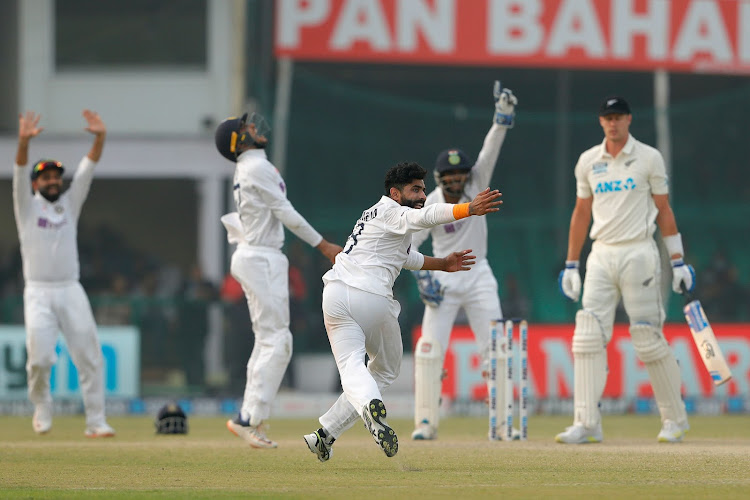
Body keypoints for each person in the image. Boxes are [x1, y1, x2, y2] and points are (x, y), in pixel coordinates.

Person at [303, 161, 503, 462]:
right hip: (370, 298)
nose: (423, 195)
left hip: (336, 295)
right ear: (395, 193)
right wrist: (468, 209)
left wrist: (443, 264)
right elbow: (430, 216)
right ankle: (370, 402)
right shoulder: (394, 212)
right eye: (415, 189)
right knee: (373, 371)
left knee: (369, 368)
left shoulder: (375, 214)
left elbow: (405, 256)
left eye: (423, 189)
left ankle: (324, 435)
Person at [556, 96, 695, 444]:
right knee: (587, 334)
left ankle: (674, 420)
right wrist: (571, 264)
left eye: (618, 117)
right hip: (601, 254)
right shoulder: (589, 160)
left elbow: (663, 210)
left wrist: (677, 259)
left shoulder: (648, 157)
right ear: (601, 122)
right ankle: (587, 423)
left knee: (647, 336)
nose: (612, 123)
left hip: (639, 252)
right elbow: (580, 212)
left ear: (629, 119)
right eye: (607, 118)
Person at [214, 112, 342, 449]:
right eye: (247, 128)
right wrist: (323, 245)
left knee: (267, 340)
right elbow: (285, 212)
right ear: (239, 141)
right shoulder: (256, 167)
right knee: (278, 341)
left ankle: (248, 416)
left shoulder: (250, 167)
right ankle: (249, 418)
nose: (254, 128)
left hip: (255, 254)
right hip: (261, 256)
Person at [409, 81, 518, 441]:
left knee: (497, 350)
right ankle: (425, 422)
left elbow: (489, 152)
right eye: (451, 177)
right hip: (444, 279)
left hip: (480, 275)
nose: (458, 180)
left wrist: (501, 120)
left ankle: (502, 424)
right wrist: (422, 279)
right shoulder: (432, 203)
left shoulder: (477, 185)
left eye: (462, 175)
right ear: (440, 179)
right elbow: (409, 243)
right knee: (428, 351)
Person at [13, 110, 115, 437]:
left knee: (90, 356)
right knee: (40, 360)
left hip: (70, 288)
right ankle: (42, 404)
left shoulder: (69, 204)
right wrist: (23, 143)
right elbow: (17, 172)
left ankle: (96, 421)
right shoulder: (26, 206)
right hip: (38, 291)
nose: (53, 180)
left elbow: (87, 170)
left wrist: (99, 137)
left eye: (56, 176)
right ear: (35, 183)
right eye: (45, 177)